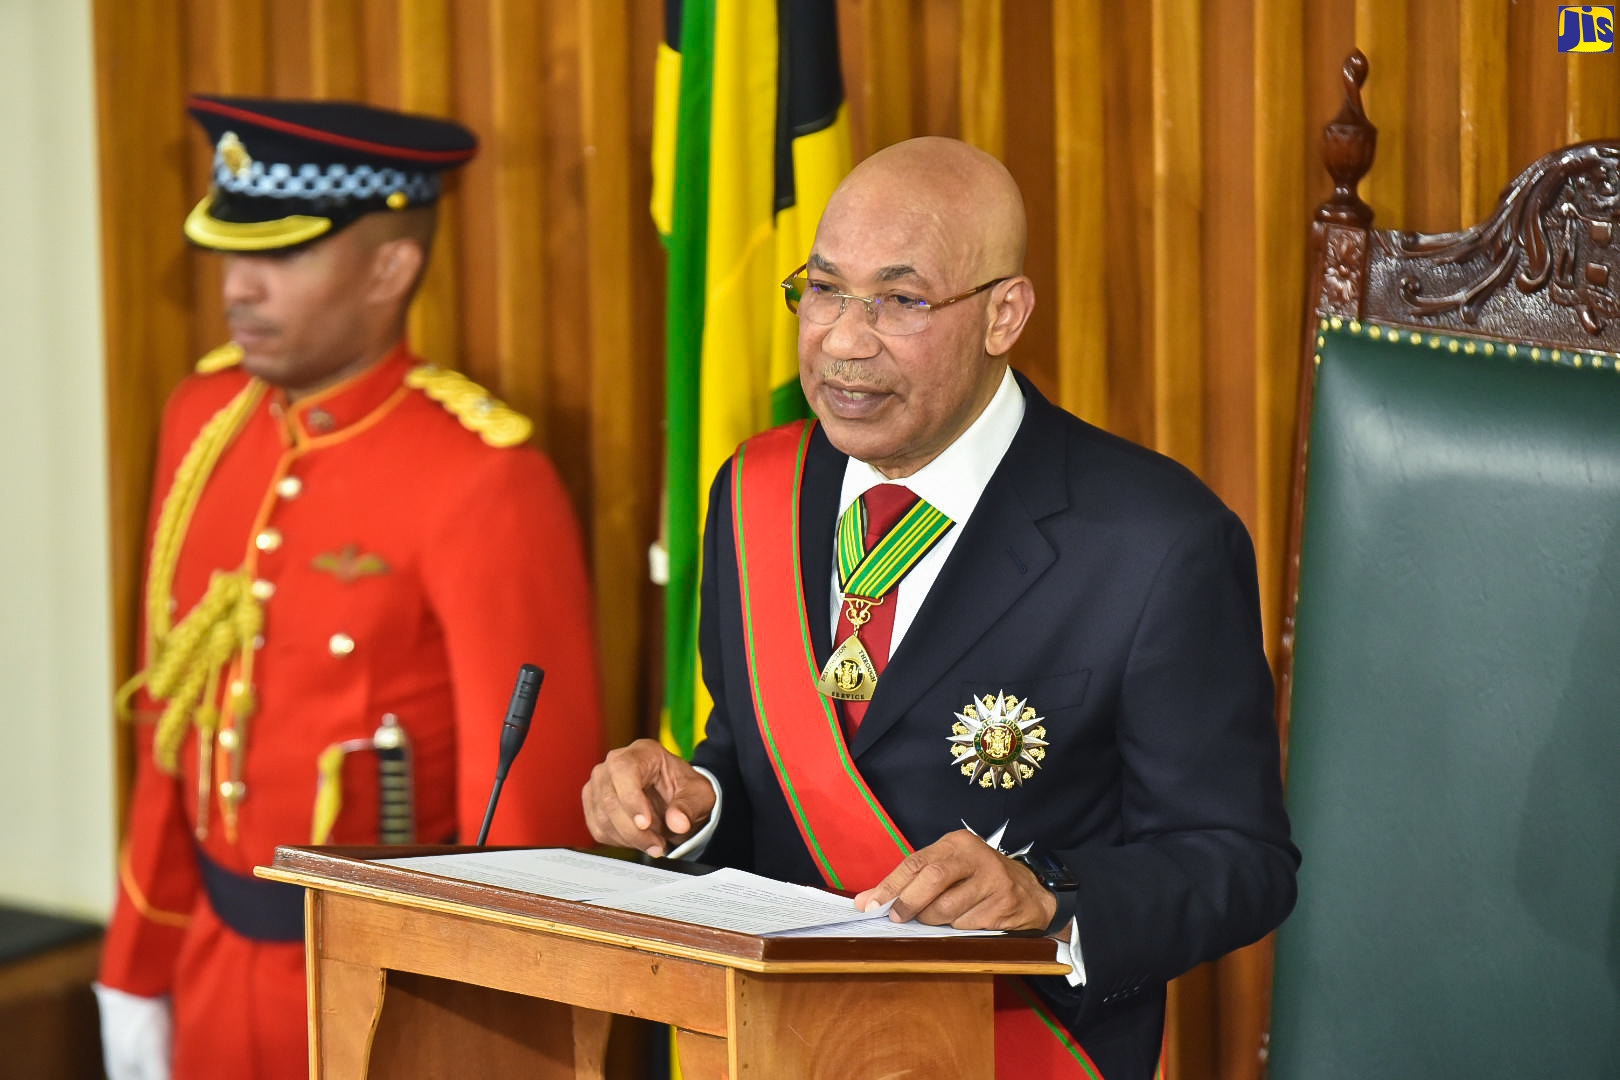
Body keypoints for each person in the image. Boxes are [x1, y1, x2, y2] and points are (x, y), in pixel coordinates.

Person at [582, 136, 1297, 1078]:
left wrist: (1046, 895)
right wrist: (695, 805)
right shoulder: (755, 493)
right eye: (826, 289)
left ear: (1005, 313)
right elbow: (762, 758)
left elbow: (1240, 863)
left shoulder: (1154, 539)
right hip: (773, 1047)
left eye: (901, 300)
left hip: (1013, 1052)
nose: (842, 337)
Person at [96, 95, 604, 1080]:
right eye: (229, 254)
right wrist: (137, 970)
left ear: (389, 267)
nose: (237, 288)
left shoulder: (483, 478)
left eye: (279, 257)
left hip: (385, 1005)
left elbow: (529, 820)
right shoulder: (205, 424)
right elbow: (173, 720)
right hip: (208, 969)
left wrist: (493, 1043)